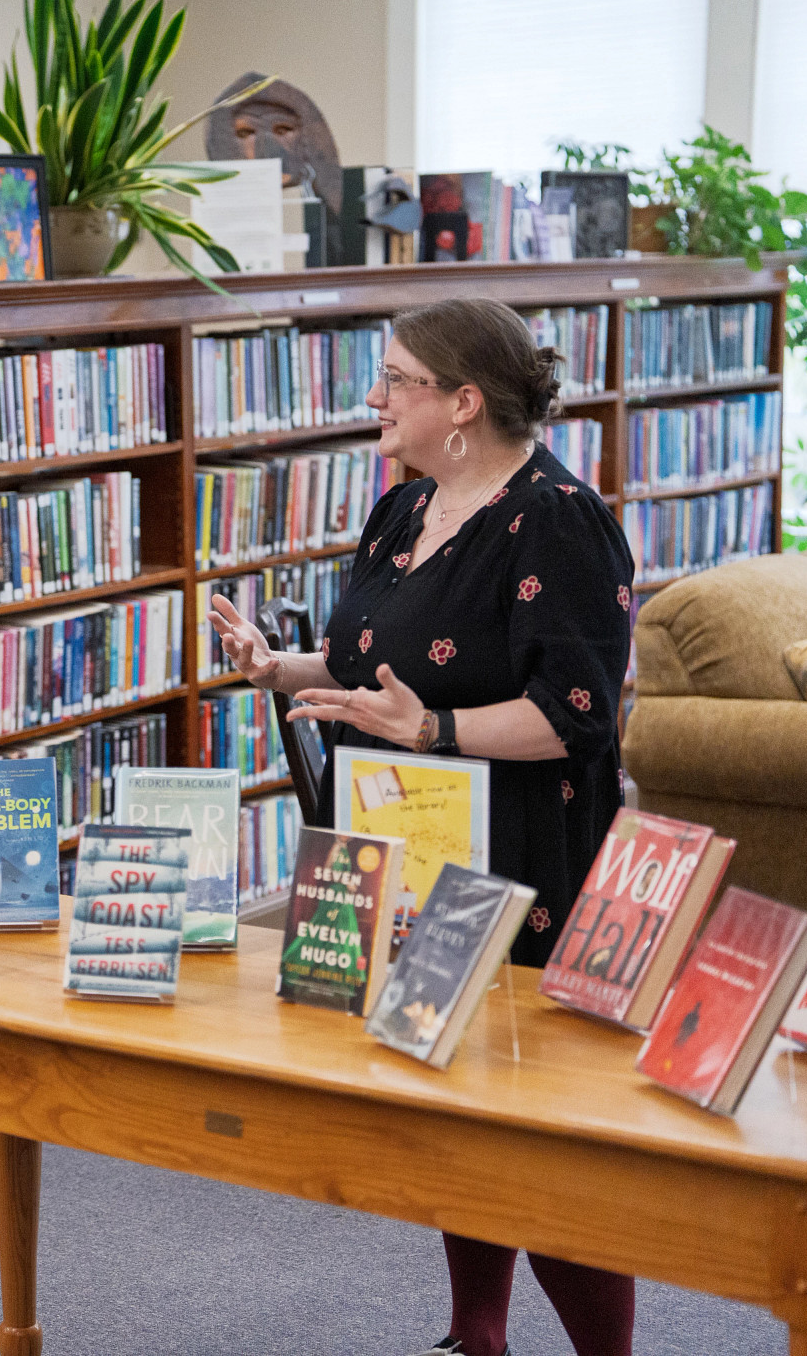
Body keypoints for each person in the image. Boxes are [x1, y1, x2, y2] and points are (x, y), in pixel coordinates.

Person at [207, 297, 635, 1356]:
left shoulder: (558, 520)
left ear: (460, 402)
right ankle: (473, 1335)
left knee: (539, 1140)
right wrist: (282, 666)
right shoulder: (404, 508)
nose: (372, 397)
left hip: (519, 857)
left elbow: (575, 717)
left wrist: (434, 728)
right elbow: (369, 665)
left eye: (393, 379)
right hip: (404, 845)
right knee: (444, 1102)